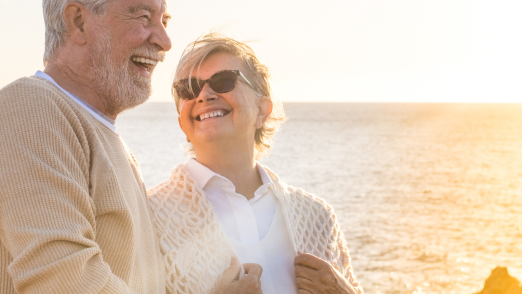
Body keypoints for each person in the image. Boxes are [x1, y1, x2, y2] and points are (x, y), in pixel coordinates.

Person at [0, 0, 174, 293]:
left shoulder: (110, 141)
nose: (164, 41)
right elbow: (66, 280)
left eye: (165, 21)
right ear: (79, 22)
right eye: (143, 17)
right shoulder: (28, 109)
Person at [148, 33, 363, 294]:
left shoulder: (316, 217)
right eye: (188, 88)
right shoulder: (149, 216)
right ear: (182, 122)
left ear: (262, 110)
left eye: (224, 81)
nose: (203, 95)